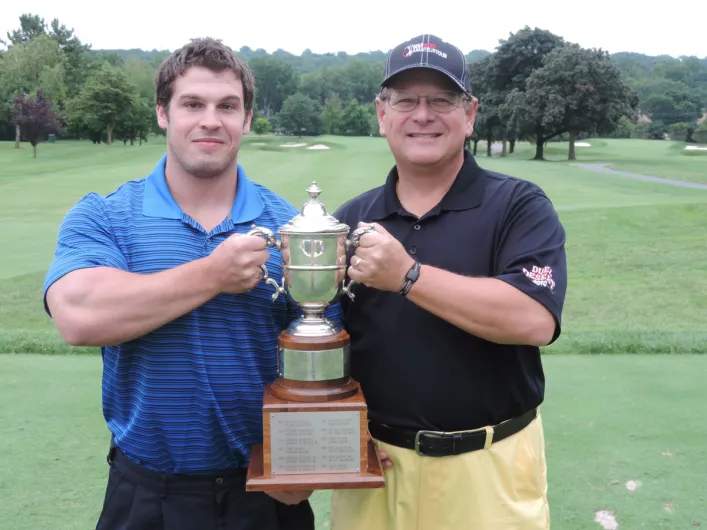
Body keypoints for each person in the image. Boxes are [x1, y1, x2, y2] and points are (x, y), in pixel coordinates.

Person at [43, 37, 319, 530]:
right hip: (146, 494)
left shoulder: (291, 227)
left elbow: (315, 363)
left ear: (247, 119)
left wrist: (309, 461)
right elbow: (78, 316)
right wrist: (213, 275)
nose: (210, 120)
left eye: (227, 106)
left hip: (264, 494)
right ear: (163, 114)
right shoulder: (107, 216)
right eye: (192, 104)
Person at [329, 34, 568, 530]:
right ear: (382, 113)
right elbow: (330, 342)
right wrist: (341, 427)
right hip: (377, 468)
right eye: (405, 100)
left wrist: (407, 276)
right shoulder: (350, 220)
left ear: (470, 113)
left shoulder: (519, 205)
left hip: (489, 467)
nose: (422, 115)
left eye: (441, 100)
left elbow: (533, 318)